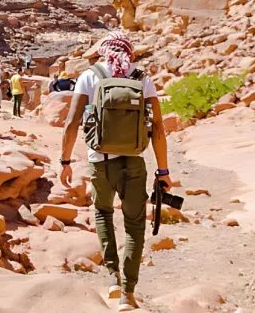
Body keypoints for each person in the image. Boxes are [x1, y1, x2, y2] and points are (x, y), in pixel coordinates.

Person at [58, 31, 171, 311]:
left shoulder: (89, 75)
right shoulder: (142, 78)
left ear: (104, 50)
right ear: (129, 52)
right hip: (133, 161)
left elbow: (71, 122)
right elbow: (157, 127)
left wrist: (65, 161)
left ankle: (112, 278)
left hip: (100, 160)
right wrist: (163, 170)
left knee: (103, 213)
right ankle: (128, 294)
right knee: (134, 225)